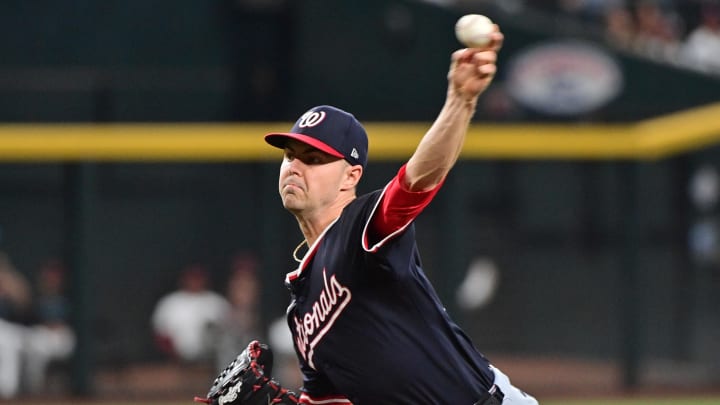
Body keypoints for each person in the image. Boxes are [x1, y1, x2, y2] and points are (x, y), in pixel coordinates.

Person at [258, 23, 538, 404]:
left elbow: (419, 178)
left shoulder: (360, 228)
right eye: (290, 156)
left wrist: (460, 100)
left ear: (350, 176)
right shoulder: (301, 310)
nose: (295, 166)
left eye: (314, 158)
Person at [151, 264, 230, 363]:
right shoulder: (170, 302)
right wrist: (172, 355)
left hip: (212, 361)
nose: (194, 282)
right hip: (177, 361)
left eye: (198, 278)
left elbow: (229, 333)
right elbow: (160, 334)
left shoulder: (216, 302)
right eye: (192, 278)